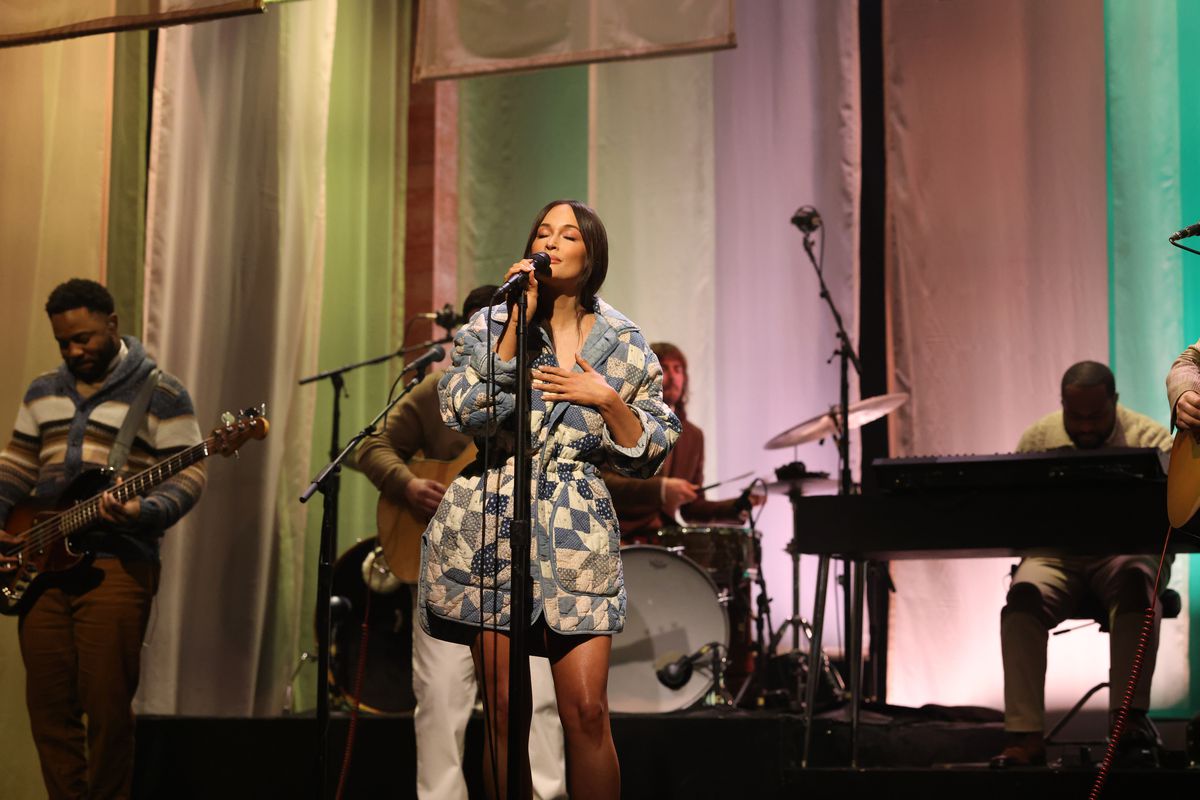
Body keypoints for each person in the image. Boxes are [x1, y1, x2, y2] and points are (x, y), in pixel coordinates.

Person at [419, 200, 679, 799]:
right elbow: (464, 412)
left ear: (592, 256)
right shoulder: (493, 324)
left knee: (586, 710)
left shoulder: (623, 341)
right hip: (492, 515)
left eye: (568, 234)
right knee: (505, 709)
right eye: (542, 232)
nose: (552, 242)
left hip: (575, 529)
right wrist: (514, 325)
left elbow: (652, 449)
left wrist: (606, 398)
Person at [355, 286, 567, 800]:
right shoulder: (436, 390)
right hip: (448, 565)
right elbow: (371, 443)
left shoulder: (543, 387)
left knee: (536, 696)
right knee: (441, 696)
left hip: (525, 566)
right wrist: (406, 485)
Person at [0, 278, 206, 799]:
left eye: (84, 339)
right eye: (63, 343)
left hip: (119, 562)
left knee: (108, 709)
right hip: (39, 565)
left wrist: (144, 509)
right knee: (49, 710)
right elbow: (17, 465)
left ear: (113, 325)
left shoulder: (162, 392)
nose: (74, 351)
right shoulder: (44, 389)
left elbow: (190, 474)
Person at [991, 361, 1171, 769]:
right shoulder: (1038, 438)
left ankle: (1128, 725)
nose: (1086, 427)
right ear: (1062, 405)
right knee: (1022, 598)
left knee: (1137, 581)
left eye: (1096, 416)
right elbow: (1015, 514)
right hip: (1055, 555)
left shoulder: (1152, 440)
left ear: (1116, 403)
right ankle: (1024, 734)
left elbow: (1171, 523)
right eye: (1077, 417)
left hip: (1125, 553)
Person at [601, 341, 755, 539]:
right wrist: (662, 489)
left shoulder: (693, 435)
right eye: (664, 368)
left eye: (678, 369)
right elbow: (604, 483)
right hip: (620, 539)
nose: (673, 377)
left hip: (664, 543)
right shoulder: (624, 419)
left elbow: (692, 508)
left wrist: (737, 507)